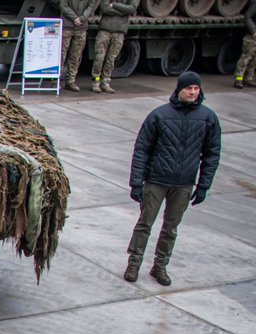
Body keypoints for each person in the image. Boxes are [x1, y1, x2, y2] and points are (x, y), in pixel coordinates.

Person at [124, 72, 221, 286]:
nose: (193, 92)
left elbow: (212, 154)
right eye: (189, 88)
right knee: (144, 224)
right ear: (179, 90)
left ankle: (160, 266)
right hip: (156, 181)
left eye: (196, 88)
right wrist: (136, 182)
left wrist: (204, 185)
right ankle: (134, 263)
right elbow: (142, 149)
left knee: (171, 228)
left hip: (184, 184)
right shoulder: (159, 115)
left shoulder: (208, 118)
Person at [91, 0, 135, 94]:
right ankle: (96, 81)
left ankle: (105, 82)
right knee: (99, 58)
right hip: (105, 30)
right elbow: (105, 7)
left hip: (119, 31)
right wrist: (123, 12)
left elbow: (132, 9)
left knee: (111, 59)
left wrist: (114, 5)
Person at [59, 0, 93, 92]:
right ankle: (55, 80)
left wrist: (81, 19)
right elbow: (63, 5)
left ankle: (70, 80)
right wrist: (75, 18)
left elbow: (90, 5)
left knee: (76, 55)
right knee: (61, 55)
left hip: (81, 28)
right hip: (67, 26)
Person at [234, 0, 256, 89]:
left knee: (254, 61)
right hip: (252, 38)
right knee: (245, 59)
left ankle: (249, 78)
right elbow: (247, 16)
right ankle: (238, 79)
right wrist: (254, 32)